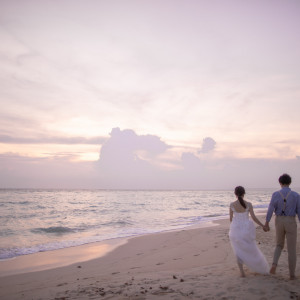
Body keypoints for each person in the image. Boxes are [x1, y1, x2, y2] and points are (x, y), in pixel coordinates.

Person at [264, 173, 300, 280]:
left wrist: (266, 222)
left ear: (280, 183)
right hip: (290, 220)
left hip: (279, 220)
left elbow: (270, 209)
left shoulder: (275, 194)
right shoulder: (296, 195)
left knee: (279, 244)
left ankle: (274, 265)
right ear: (290, 183)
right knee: (291, 248)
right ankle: (292, 275)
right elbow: (299, 211)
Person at [229, 186, 269, 277]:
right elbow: (254, 218)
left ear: (235, 194)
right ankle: (258, 266)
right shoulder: (249, 204)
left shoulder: (232, 205)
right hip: (247, 229)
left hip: (236, 229)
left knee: (238, 250)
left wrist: (235, 227)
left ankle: (242, 272)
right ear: (244, 193)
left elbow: (231, 219)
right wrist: (263, 225)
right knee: (251, 248)